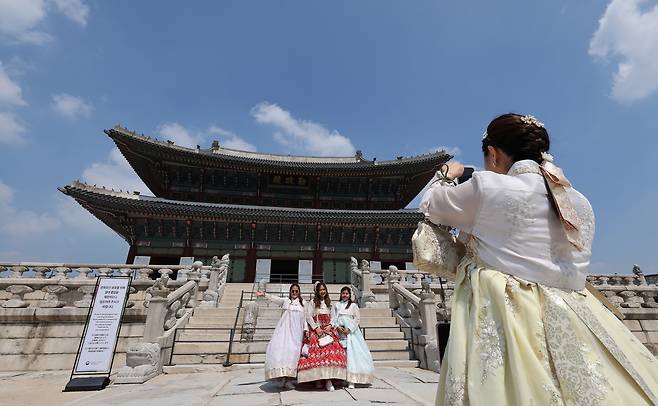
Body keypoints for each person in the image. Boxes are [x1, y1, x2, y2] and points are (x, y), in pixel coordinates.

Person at [420, 113, 658, 405]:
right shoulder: (580, 203)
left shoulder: (487, 187)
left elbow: (430, 204)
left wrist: (445, 174)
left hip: (508, 314)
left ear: (493, 154)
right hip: (578, 314)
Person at [297, 282, 347, 391]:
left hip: (328, 330)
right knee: (317, 352)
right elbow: (308, 316)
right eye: (320, 290)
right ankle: (318, 379)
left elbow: (334, 317)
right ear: (317, 291)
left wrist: (330, 325)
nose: (322, 292)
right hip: (317, 330)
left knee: (332, 350)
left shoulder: (330, 303)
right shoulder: (312, 302)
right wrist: (316, 328)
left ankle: (328, 380)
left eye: (324, 289)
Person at [255, 283, 306, 390]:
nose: (295, 293)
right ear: (290, 292)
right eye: (293, 291)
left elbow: (306, 317)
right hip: (285, 331)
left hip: (297, 333)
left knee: (294, 354)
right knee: (284, 353)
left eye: (296, 291)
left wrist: (306, 330)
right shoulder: (286, 301)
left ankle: (290, 378)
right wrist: (264, 294)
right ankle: (283, 378)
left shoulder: (303, 303)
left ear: (299, 292)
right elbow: (275, 299)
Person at [333, 286, 374, 388]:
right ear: (340, 294)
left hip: (351, 333)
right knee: (342, 355)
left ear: (349, 295)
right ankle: (343, 378)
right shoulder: (337, 305)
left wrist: (349, 329)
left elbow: (357, 319)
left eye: (347, 293)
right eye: (343, 293)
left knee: (352, 355)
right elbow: (332, 318)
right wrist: (337, 327)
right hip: (339, 332)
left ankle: (352, 379)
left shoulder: (353, 306)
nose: (345, 295)